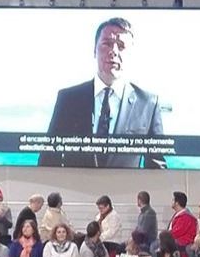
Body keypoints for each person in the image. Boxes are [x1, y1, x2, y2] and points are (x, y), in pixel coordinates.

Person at [41, 17, 164, 168]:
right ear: (95, 50)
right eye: (107, 44)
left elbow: (157, 166)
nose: (113, 51)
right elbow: (48, 160)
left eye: (121, 46)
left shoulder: (148, 104)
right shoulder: (68, 99)